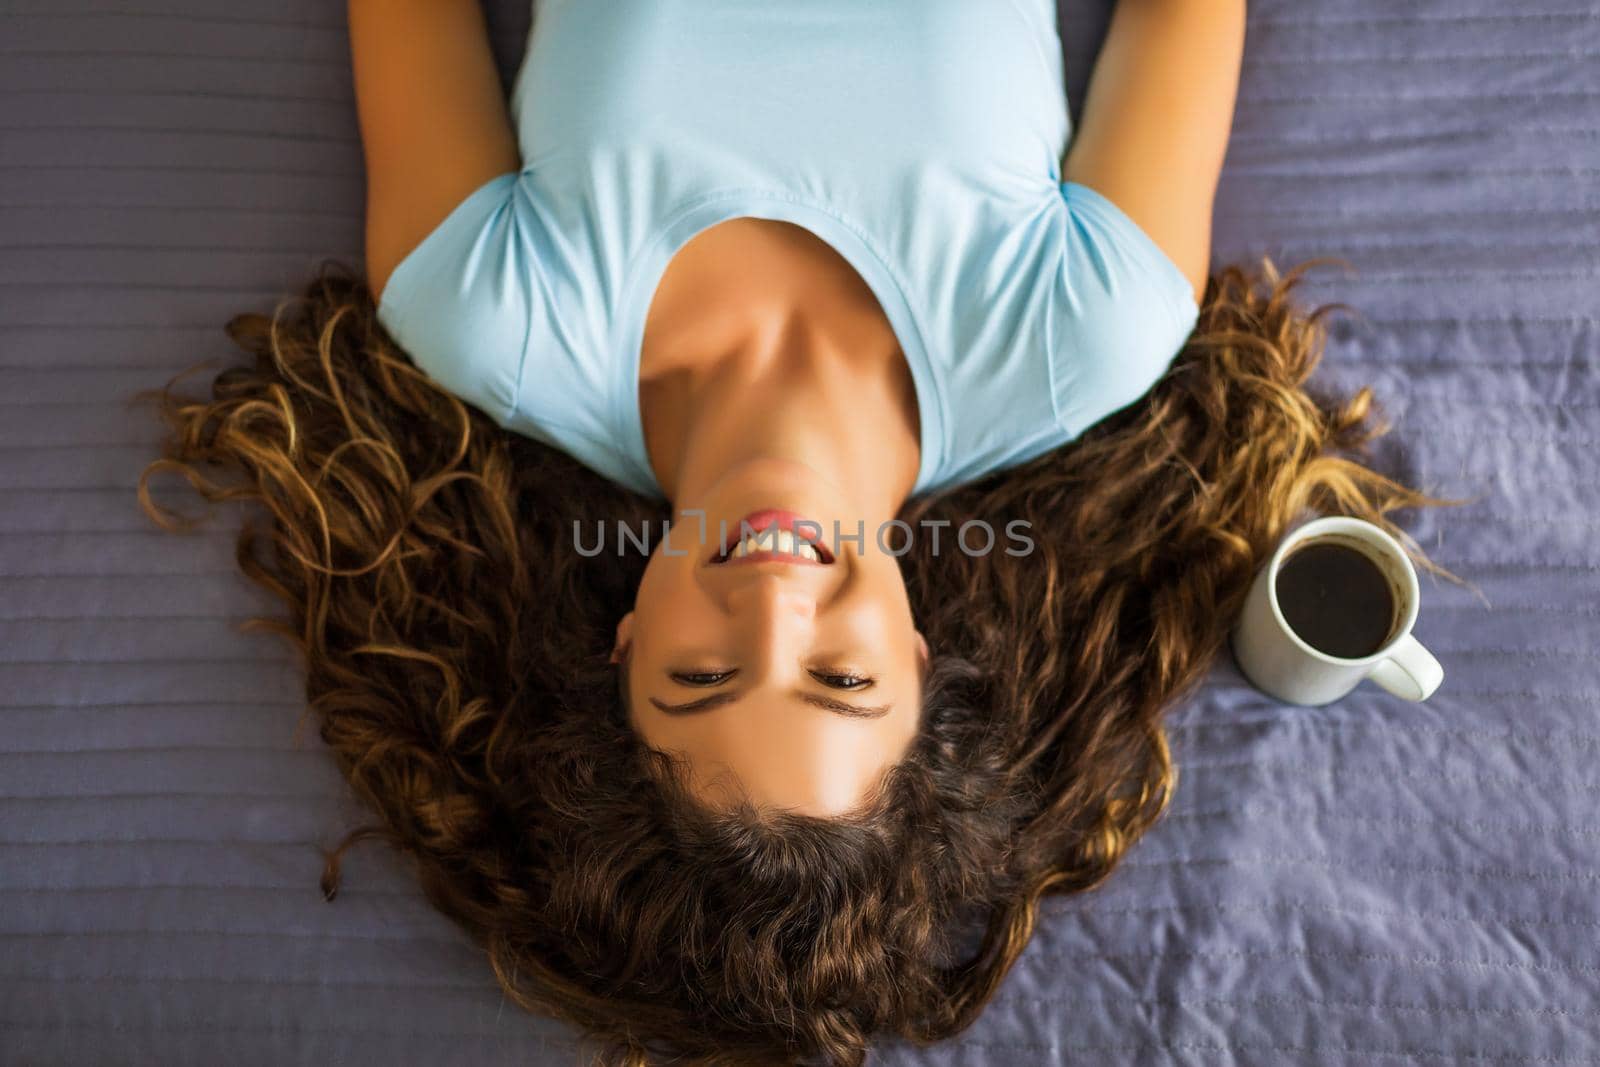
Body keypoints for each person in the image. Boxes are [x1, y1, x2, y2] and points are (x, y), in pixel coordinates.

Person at [137, 1, 1468, 1064]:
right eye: (840, 679)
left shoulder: (482, 317)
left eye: (701, 677)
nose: (774, 604)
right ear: (924, 654)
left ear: (620, 643)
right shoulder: (1085, 338)